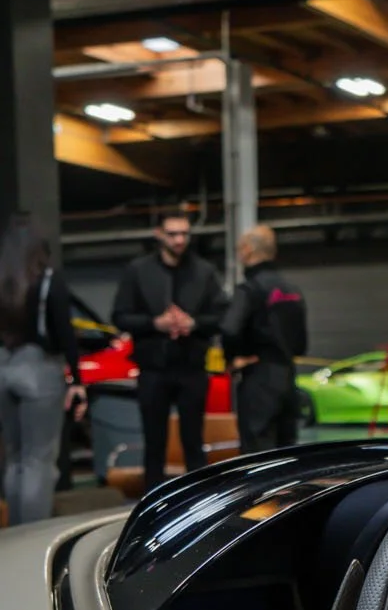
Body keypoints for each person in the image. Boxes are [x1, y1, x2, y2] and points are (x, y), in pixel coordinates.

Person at [113, 206, 225, 492]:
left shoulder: (204, 271)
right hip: (153, 368)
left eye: (184, 234)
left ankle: (200, 501)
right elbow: (120, 316)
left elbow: (222, 316)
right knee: (154, 443)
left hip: (192, 367)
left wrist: (193, 323)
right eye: (173, 234)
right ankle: (153, 501)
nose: (179, 240)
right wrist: (155, 323)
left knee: (193, 442)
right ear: (159, 234)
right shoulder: (138, 270)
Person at [0, 219, 87, 526]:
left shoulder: (4, 279)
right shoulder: (48, 279)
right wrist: (77, 380)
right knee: (39, 461)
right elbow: (64, 331)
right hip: (39, 369)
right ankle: (33, 535)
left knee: (14, 459)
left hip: (3, 368)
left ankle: (13, 535)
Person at [219, 225, 309, 455]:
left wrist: (233, 358)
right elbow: (301, 344)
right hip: (288, 378)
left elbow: (229, 329)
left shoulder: (249, 289)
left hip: (258, 379)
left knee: (257, 454)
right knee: (287, 453)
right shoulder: (293, 290)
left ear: (248, 250)